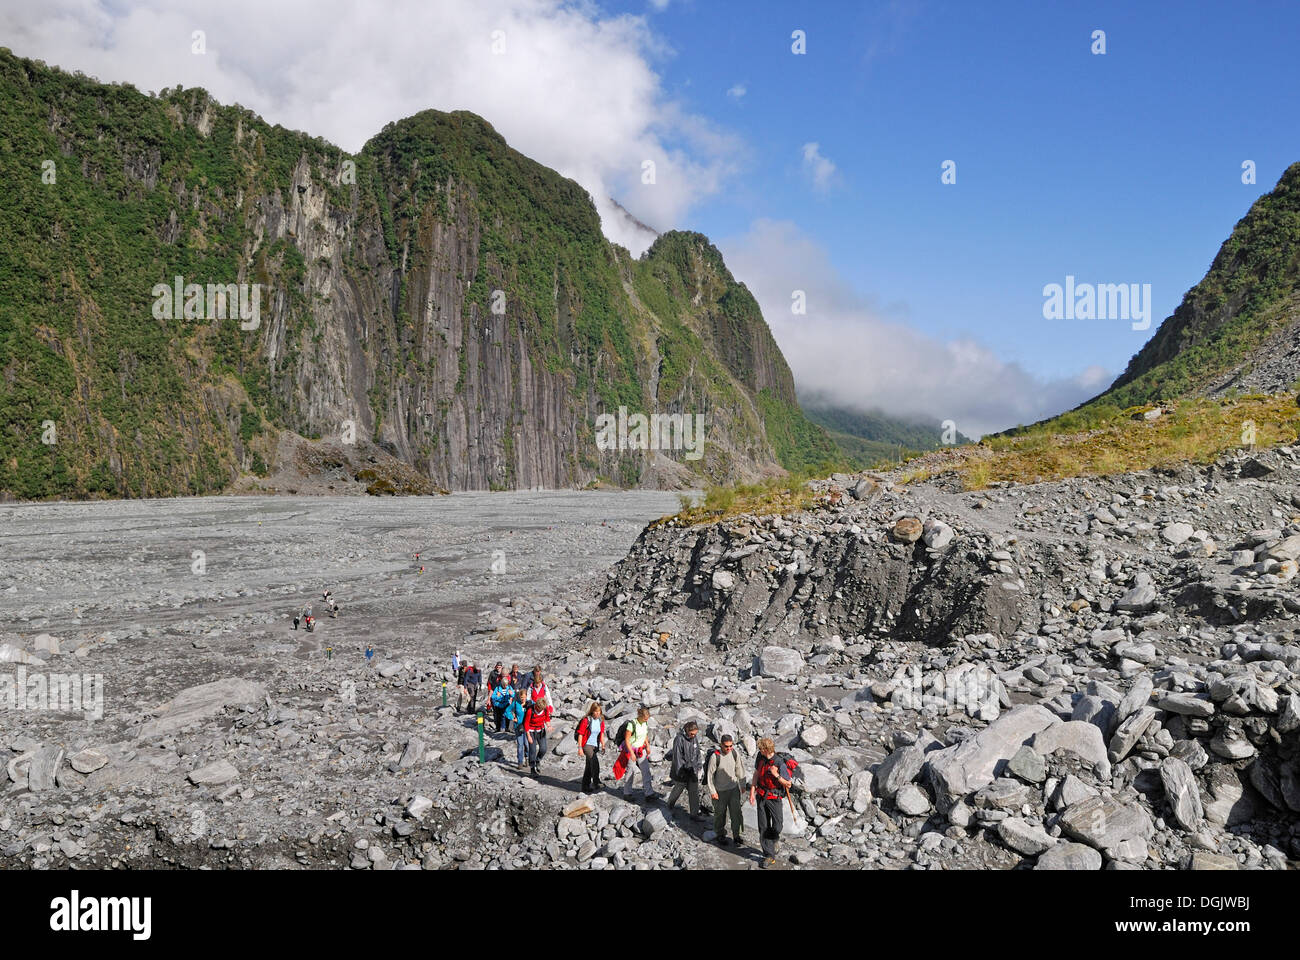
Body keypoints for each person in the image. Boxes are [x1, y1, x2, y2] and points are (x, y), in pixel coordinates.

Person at [749, 737, 793, 868]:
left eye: (761, 749)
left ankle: (774, 840)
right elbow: (756, 774)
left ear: (766, 749)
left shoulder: (780, 763)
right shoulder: (760, 757)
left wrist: (776, 775)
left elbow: (788, 784)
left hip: (774, 798)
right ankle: (769, 855)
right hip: (761, 795)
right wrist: (752, 791)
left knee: (778, 825)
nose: (759, 751)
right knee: (763, 827)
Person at [705, 734, 747, 847]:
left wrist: (742, 785)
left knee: (736, 813)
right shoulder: (715, 757)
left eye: (730, 746)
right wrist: (713, 791)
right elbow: (709, 775)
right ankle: (720, 834)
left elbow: (739, 769)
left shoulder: (734, 753)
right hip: (720, 791)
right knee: (720, 814)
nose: (729, 749)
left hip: (733, 789)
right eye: (726, 746)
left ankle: (737, 835)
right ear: (721, 745)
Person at [612, 706, 659, 803]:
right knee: (631, 771)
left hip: (641, 750)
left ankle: (649, 793)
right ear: (640, 716)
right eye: (645, 718)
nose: (647, 720)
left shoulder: (644, 723)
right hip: (631, 750)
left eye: (647, 718)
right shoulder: (631, 724)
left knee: (646, 771)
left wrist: (648, 746)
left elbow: (645, 734)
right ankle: (627, 793)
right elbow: (627, 740)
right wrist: (632, 753)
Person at [667, 721, 707, 821]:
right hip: (682, 770)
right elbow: (677, 757)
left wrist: (698, 766)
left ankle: (694, 814)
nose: (693, 736)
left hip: (692, 769)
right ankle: (669, 805)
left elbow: (697, 752)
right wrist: (681, 771)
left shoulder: (694, 739)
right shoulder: (679, 739)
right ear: (687, 730)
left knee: (694, 791)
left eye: (695, 734)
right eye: (692, 733)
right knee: (678, 789)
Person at [577, 702, 606, 794]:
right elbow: (580, 734)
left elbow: (601, 734)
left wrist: (603, 745)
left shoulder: (601, 720)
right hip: (586, 745)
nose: (597, 713)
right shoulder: (586, 720)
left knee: (589, 766)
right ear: (592, 711)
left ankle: (585, 786)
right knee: (594, 761)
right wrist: (580, 748)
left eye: (599, 712)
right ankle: (596, 782)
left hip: (595, 745)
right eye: (595, 712)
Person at [523, 695, 553, 777]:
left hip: (541, 730)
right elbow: (526, 724)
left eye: (542, 709)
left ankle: (538, 760)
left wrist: (549, 725)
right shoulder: (530, 711)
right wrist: (528, 736)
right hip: (532, 731)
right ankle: (532, 768)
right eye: (540, 709)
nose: (541, 710)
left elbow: (547, 718)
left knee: (543, 748)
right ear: (536, 706)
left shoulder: (545, 709)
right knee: (532, 750)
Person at [505, 695, 527, 763]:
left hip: (527, 726)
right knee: (520, 745)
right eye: (521, 697)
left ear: (526, 697)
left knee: (527, 744)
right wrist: (512, 718)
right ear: (519, 697)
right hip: (518, 726)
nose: (523, 699)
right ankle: (520, 762)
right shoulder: (515, 703)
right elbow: (507, 711)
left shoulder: (529, 703)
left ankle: (527, 757)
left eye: (524, 697)